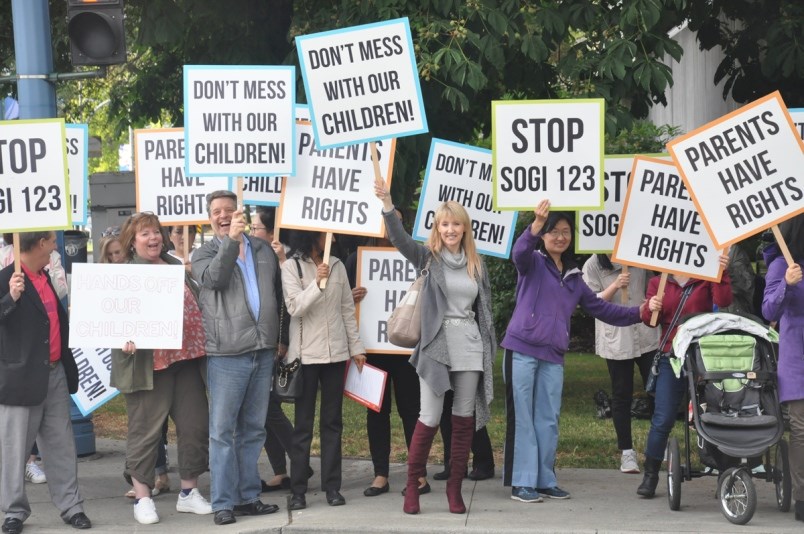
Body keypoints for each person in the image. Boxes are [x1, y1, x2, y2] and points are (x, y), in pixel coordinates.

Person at [502, 201, 643, 504]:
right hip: (522, 349)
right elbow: (518, 253)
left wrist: (640, 312)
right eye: (554, 231)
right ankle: (522, 483)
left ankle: (545, 480)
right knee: (524, 418)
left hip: (553, 355)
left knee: (548, 418)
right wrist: (535, 224)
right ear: (544, 235)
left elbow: (603, 309)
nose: (560, 237)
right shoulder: (533, 262)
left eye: (565, 232)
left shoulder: (575, 278)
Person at [374, 183, 496, 515]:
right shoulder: (427, 257)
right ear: (437, 228)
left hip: (470, 348)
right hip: (436, 349)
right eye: (445, 224)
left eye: (456, 223)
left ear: (464, 228)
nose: (451, 229)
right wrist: (387, 201)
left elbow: (483, 311)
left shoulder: (476, 264)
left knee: (462, 421)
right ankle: (413, 486)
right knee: (428, 418)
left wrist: (487, 348)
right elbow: (398, 238)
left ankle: (454, 490)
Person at [110, 213, 212, 525]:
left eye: (156, 232)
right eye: (145, 234)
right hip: (148, 365)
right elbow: (110, 319)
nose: (153, 238)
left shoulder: (175, 265)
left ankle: (188, 493)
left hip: (186, 359)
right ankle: (142, 496)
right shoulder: (124, 274)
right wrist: (122, 337)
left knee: (195, 426)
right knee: (145, 432)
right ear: (132, 242)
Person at [191, 190, 284, 525]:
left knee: (253, 429)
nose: (223, 215)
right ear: (209, 217)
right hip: (227, 354)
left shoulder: (262, 250)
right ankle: (223, 502)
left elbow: (277, 294)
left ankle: (248, 496)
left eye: (230, 209)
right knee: (222, 431)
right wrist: (231, 242)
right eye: (217, 211)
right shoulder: (204, 253)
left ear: (241, 212)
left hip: (262, 350)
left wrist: (279, 339)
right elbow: (214, 279)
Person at [0, 231, 92, 534]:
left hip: (54, 374)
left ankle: (71, 507)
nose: (55, 245)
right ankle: (14, 512)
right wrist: (9, 299)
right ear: (39, 243)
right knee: (14, 451)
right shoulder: (6, 279)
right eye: (52, 240)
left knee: (61, 446)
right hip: (20, 379)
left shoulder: (47, 276)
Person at [342, 214, 427, 497]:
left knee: (411, 412)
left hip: (406, 350)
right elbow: (341, 304)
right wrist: (350, 297)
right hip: (372, 350)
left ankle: (419, 475)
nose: (391, 227)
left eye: (398, 221)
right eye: (386, 220)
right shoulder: (356, 259)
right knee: (376, 412)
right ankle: (380, 474)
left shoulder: (416, 257)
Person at [282, 229, 367, 510]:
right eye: (323, 234)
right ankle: (298, 491)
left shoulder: (339, 266)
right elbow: (295, 308)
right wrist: (317, 284)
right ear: (309, 235)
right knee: (303, 427)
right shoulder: (291, 266)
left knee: (333, 424)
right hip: (305, 358)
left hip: (336, 356)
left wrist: (356, 348)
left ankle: (333, 487)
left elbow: (346, 310)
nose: (329, 237)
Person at [637, 248, 731, 498]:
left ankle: (725, 474)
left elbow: (723, 301)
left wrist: (721, 271)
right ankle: (650, 476)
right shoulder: (658, 281)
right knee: (663, 418)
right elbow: (651, 321)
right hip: (672, 357)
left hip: (702, 356)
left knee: (712, 415)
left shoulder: (706, 275)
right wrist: (649, 307)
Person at [247, 208, 310, 493]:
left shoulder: (283, 259)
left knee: (268, 408)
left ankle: (300, 461)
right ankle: (282, 471)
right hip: (258, 339)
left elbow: (286, 303)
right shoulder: (255, 254)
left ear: (272, 232)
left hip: (275, 341)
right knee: (263, 411)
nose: (252, 232)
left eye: (257, 227)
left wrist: (282, 340)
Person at [582, 255, 660, 474]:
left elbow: (651, 289)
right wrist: (616, 285)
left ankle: (656, 449)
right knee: (621, 393)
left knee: (655, 390)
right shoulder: (592, 265)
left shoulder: (637, 253)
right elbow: (592, 302)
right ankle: (627, 452)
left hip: (645, 332)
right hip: (616, 336)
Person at [762, 214, 803, 523]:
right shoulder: (780, 265)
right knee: (801, 430)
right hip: (797, 358)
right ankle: (802, 498)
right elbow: (768, 310)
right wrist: (786, 285)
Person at [721, 243, 755, 316]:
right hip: (704, 317)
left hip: (732, 316)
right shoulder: (698, 249)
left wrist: (728, 270)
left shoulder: (734, 250)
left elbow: (746, 284)